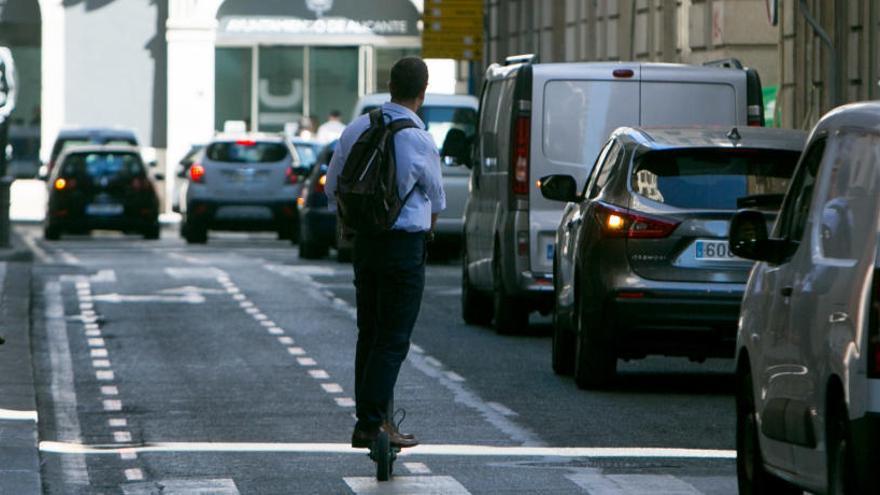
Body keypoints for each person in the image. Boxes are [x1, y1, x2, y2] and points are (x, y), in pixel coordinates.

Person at [325, 57, 445, 449]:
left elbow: (332, 189)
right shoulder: (418, 137)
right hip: (403, 247)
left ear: (389, 85)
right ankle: (371, 423)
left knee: (369, 333)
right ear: (422, 92)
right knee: (393, 339)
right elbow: (437, 199)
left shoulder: (358, 127)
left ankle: (373, 421)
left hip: (365, 243)